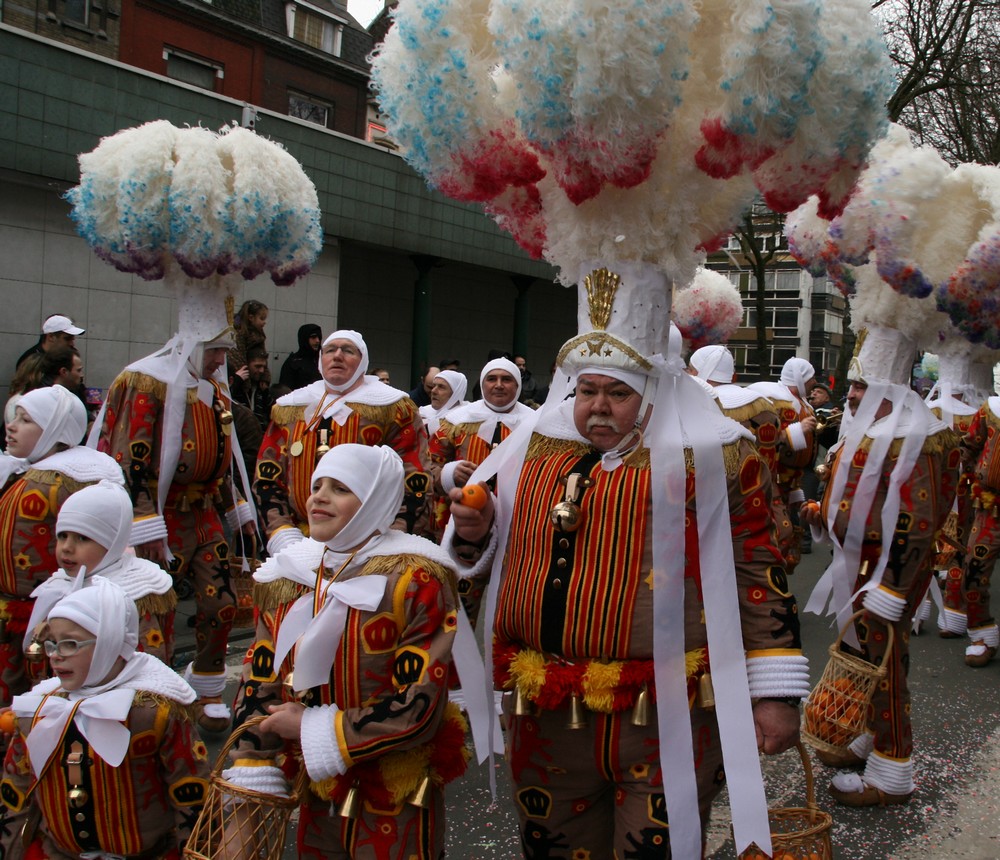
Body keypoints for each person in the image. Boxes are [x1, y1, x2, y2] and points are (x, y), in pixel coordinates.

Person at [445, 268, 806, 858]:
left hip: (666, 710)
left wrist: (774, 695)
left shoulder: (711, 454)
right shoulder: (535, 447)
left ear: (654, 389)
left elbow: (757, 569)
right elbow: (481, 558)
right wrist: (473, 533)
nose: (598, 407)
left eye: (617, 392)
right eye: (587, 390)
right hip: (546, 709)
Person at [228, 444, 467, 859]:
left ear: (375, 501)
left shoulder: (414, 579)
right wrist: (252, 763)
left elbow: (420, 704)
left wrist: (315, 728)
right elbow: (259, 674)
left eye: (340, 488)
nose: (318, 496)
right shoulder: (289, 576)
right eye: (317, 483)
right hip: (316, 785)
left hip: (395, 787)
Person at [802, 323, 958, 806]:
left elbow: (919, 522)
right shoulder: (874, 430)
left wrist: (891, 588)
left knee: (884, 664)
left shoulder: (918, 437)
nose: (850, 395)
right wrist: (823, 516)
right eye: (852, 385)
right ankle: (871, 736)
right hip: (858, 568)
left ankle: (893, 766)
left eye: (861, 387)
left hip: (886, 577)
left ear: (889, 392)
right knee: (868, 660)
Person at [95, 297, 255, 734]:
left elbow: (221, 457)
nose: (223, 361)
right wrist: (144, 520)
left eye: (226, 351)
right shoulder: (146, 382)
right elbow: (128, 457)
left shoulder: (216, 390)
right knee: (155, 611)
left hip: (203, 514)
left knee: (221, 604)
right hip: (156, 516)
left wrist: (238, 511)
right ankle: (154, 699)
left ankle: (205, 690)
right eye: (216, 350)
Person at [0, 578, 209, 859]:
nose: (56, 657)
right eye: (52, 645)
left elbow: (192, 794)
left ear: (110, 644)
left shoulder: (153, 712)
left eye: (70, 644)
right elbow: (16, 794)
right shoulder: (37, 711)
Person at [0, 386, 124, 710]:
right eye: (15, 418)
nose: (11, 426)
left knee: (37, 694)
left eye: (25, 420)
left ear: (55, 431)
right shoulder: (18, 470)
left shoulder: (65, 481)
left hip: (45, 615)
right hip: (12, 614)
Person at [255, 329, 432, 555]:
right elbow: (267, 475)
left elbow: (415, 478)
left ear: (363, 361)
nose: (337, 356)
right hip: (298, 541)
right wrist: (281, 533)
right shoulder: (289, 408)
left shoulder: (394, 408)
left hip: (369, 543)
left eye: (347, 351)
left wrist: (391, 537)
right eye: (329, 350)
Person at [26, 480, 176, 666]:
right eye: (62, 536)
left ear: (112, 544)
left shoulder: (131, 594)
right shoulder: (58, 585)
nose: (66, 548)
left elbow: (149, 660)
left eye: (83, 538)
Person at [427, 358, 533, 608]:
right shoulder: (455, 422)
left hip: (518, 524)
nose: (498, 385)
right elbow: (426, 467)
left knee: (510, 600)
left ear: (517, 385)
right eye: (491, 379)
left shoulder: (537, 424)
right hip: (464, 525)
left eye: (506, 379)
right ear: (482, 383)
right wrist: (449, 473)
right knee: (460, 601)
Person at [748, 358, 818, 570]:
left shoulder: (803, 403)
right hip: (773, 478)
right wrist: (797, 430)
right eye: (811, 378)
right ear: (801, 379)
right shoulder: (774, 400)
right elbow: (765, 437)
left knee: (789, 527)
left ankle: (776, 568)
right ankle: (766, 569)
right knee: (781, 529)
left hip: (792, 479)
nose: (815, 382)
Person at [12, 313, 85, 374]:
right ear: (51, 337)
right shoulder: (31, 360)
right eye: (67, 339)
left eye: (72, 339)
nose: (72, 344)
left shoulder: (66, 356)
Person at [230, 345, 273, 430]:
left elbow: (270, 413)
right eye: (257, 366)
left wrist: (265, 392)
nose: (261, 371)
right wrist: (237, 381)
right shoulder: (239, 387)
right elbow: (226, 401)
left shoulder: (261, 387)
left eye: (264, 367)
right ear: (246, 365)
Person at [228, 299, 269, 385]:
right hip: (241, 375)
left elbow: (263, 355)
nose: (264, 322)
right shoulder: (239, 332)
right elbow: (238, 357)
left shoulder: (259, 334)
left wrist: (265, 377)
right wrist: (245, 382)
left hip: (252, 374)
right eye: (262, 318)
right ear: (251, 318)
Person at [418, 369, 468, 436]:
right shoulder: (424, 412)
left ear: (455, 394)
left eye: (441, 387)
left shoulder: (465, 420)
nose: (433, 391)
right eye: (433, 386)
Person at [278, 323, 323, 391]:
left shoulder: (323, 360)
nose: (317, 341)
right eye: (313, 337)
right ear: (304, 339)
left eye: (319, 337)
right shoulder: (293, 363)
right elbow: (285, 391)